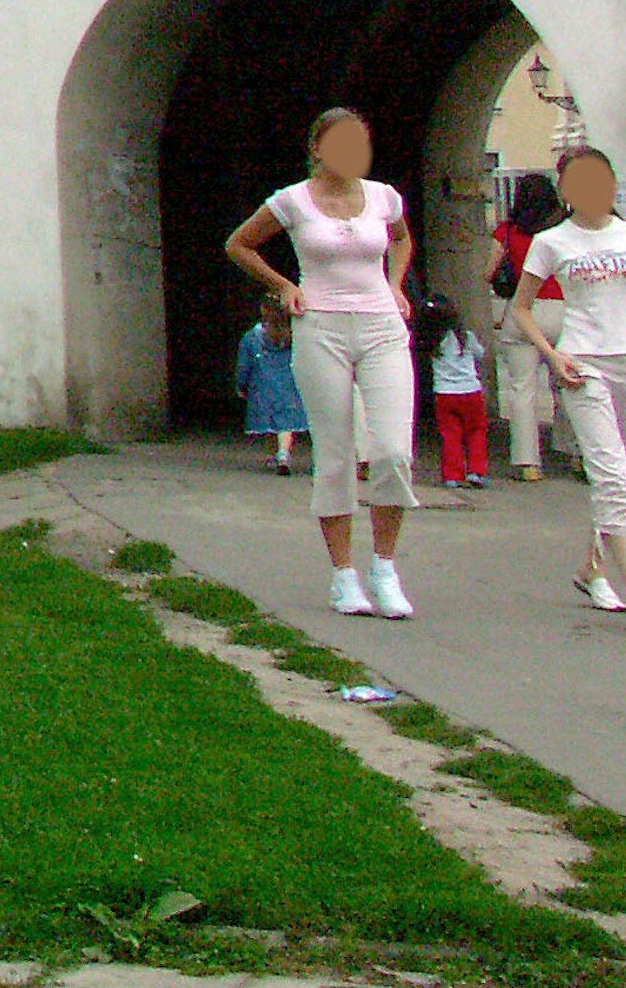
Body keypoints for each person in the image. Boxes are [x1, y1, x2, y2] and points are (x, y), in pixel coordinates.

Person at [228, 106, 417, 618]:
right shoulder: (293, 201)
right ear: (317, 148)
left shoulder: (383, 197)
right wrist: (285, 286)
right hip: (323, 328)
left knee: (393, 450)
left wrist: (395, 285)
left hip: (381, 327)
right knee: (335, 453)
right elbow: (240, 244)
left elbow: (400, 238)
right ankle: (343, 576)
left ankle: (385, 568)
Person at [509, 146, 626, 638]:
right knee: (610, 478)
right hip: (583, 365)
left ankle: (591, 569)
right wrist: (553, 354)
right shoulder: (551, 242)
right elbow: (521, 309)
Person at [495, 170, 566, 480]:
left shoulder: (508, 231)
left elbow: (489, 271)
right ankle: (574, 452)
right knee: (567, 384)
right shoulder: (566, 229)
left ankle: (528, 463)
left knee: (522, 387)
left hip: (523, 312)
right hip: (564, 312)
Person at [415, 288, 488, 491]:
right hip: (471, 391)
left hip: (445, 394)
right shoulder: (466, 338)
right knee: (476, 432)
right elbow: (480, 354)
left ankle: (452, 475)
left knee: (450, 435)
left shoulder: (431, 341)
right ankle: (476, 471)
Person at [234, 291, 305, 472]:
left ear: (262, 309)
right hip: (290, 383)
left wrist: (241, 385)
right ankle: (284, 453)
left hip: (262, 385)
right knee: (286, 422)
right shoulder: (294, 334)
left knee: (269, 422)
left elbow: (244, 364)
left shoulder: (252, 336)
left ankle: (273, 455)